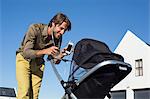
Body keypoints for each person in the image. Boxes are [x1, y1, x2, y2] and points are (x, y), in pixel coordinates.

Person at [16, 12, 71, 99]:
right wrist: (45, 51)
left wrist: (61, 55)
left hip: (38, 64)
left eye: (64, 30)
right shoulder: (34, 28)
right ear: (53, 23)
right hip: (24, 60)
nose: (62, 32)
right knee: (24, 92)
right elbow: (26, 52)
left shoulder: (57, 38)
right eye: (61, 28)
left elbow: (55, 61)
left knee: (34, 96)